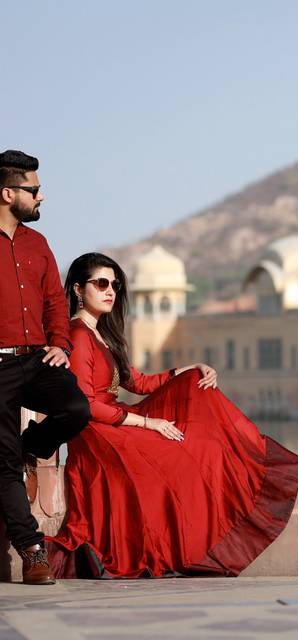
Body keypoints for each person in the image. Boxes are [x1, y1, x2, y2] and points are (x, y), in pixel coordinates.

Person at [46, 253, 298, 578]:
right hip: (97, 431)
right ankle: (256, 457)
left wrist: (187, 370)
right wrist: (148, 422)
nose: (110, 290)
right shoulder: (80, 336)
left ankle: (257, 452)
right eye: (101, 283)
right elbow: (87, 404)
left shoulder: (102, 335)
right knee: (174, 457)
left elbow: (138, 383)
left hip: (118, 418)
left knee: (197, 387)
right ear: (79, 290)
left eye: (115, 284)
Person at [0, 150, 90, 585]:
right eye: (34, 190)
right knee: (2, 468)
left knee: (76, 408)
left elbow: (56, 300)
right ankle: (32, 552)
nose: (41, 198)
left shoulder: (38, 244)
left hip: (37, 359)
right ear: (7, 193)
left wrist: (60, 344)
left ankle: (28, 445)